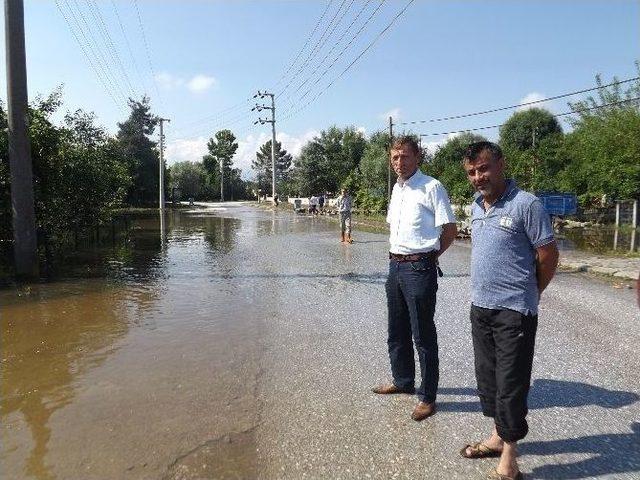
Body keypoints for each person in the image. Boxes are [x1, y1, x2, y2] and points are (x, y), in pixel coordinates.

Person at [459, 142, 559, 480]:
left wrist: (532, 292)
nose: (478, 177)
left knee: (511, 384)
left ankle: (510, 460)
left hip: (514, 311)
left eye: (484, 168)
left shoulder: (526, 204)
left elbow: (548, 255)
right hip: (481, 307)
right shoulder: (475, 206)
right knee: (488, 381)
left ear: (501, 164)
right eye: (472, 172)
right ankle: (498, 437)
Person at [372, 136, 457, 421]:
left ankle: (428, 397)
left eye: (405, 156)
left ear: (417, 157)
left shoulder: (431, 187)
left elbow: (449, 230)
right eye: (395, 158)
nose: (399, 162)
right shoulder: (397, 189)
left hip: (419, 267)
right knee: (396, 330)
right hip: (394, 266)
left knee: (422, 334)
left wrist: (430, 257)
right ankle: (403, 380)